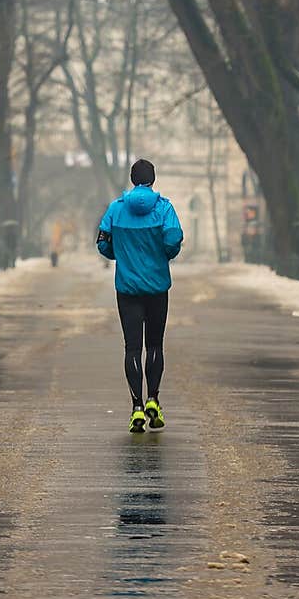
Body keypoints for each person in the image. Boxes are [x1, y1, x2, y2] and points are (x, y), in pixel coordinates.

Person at [96, 158, 184, 433]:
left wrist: (120, 255)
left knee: (132, 347)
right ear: (153, 180)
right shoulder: (164, 208)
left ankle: (136, 406)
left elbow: (103, 242)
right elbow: (173, 240)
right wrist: (163, 257)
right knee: (155, 345)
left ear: (132, 179)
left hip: (127, 289)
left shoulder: (116, 209)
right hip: (157, 288)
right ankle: (153, 399)